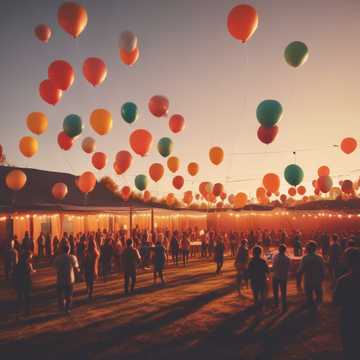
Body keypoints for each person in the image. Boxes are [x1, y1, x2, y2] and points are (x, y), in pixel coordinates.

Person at [333, 248, 360, 360]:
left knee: (350, 348)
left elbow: (336, 301)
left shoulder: (344, 280)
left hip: (349, 317)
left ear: (348, 261)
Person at [297, 241, 325, 310]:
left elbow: (300, 271)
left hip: (308, 281)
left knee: (309, 298)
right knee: (319, 297)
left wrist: (298, 282)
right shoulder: (320, 258)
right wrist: (322, 279)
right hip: (317, 280)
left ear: (307, 248)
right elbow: (323, 270)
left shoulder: (305, 258)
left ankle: (310, 311)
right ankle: (317, 310)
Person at [53, 243, 79, 314]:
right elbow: (76, 267)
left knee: (60, 294)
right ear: (69, 249)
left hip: (60, 278)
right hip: (70, 279)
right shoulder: (72, 257)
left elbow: (54, 267)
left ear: (62, 250)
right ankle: (67, 309)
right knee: (69, 295)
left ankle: (61, 307)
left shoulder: (58, 258)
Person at [13, 251, 35, 316]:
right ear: (27, 257)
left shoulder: (17, 265)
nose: (31, 258)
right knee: (27, 297)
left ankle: (18, 310)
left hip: (19, 282)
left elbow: (14, 274)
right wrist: (33, 271)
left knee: (19, 296)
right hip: (26, 282)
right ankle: (27, 311)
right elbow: (31, 271)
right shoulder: (28, 264)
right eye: (30, 256)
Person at [272, 244, 290, 312]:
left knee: (275, 291)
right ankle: (284, 305)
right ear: (285, 250)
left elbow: (273, 267)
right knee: (283, 292)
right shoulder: (287, 258)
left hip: (276, 275)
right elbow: (288, 268)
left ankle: (276, 304)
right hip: (283, 276)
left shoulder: (275, 257)